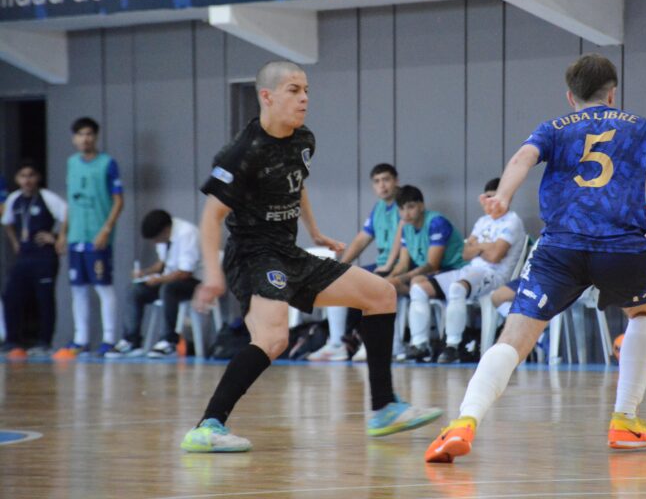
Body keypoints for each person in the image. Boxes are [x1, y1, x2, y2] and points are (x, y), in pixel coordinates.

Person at [424, 53, 646, 463]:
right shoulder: (641, 127)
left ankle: (463, 423)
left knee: (515, 338)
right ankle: (625, 419)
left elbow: (520, 160)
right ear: (612, 93)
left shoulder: (553, 128)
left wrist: (503, 197)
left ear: (570, 96)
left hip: (560, 248)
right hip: (622, 247)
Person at [181, 61, 441, 453]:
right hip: (253, 255)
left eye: (306, 89)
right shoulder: (241, 152)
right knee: (272, 339)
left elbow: (295, 184)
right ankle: (207, 426)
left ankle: (384, 408)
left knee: (381, 295)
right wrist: (213, 276)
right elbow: (210, 218)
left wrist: (315, 231)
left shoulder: (303, 139)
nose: (304, 97)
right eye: (293, 90)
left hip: (289, 252)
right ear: (266, 96)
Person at [407, 178, 526, 364]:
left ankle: (452, 346)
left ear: (505, 199)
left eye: (494, 198)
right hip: (470, 270)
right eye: (486, 198)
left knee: (457, 288)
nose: (490, 202)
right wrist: (486, 246)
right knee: (418, 288)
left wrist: (478, 247)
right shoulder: (482, 221)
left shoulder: (512, 221)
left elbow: (495, 256)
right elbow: (465, 253)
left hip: (494, 276)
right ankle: (420, 344)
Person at [308, 163, 401, 362]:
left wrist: (389, 267)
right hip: (380, 266)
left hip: (400, 267)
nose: (382, 185)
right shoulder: (379, 209)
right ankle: (336, 344)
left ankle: (372, 343)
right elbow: (361, 240)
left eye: (386, 180)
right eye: (377, 182)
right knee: (334, 281)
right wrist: (340, 265)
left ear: (396, 181)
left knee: (370, 288)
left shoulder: (404, 205)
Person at [53, 117, 124, 359]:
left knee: (103, 286)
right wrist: (62, 233)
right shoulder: (72, 163)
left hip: (98, 237)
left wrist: (106, 229)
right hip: (76, 237)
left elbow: (118, 200)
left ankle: (109, 339)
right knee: (78, 289)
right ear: (74, 139)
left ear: (96, 136)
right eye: (81, 134)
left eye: (89, 134)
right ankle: (80, 339)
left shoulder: (107, 164)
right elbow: (71, 202)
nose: (85, 138)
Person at [106, 210, 202, 358]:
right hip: (169, 279)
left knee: (168, 289)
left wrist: (159, 279)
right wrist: (145, 273)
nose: (154, 243)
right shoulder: (166, 236)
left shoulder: (187, 233)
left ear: (165, 231)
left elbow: (185, 272)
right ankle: (131, 340)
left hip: (194, 282)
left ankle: (169, 341)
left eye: (156, 239)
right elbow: (163, 264)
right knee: (134, 290)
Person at [385, 185, 467, 361]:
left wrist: (403, 278)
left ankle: (422, 343)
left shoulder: (436, 222)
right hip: (431, 275)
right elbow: (403, 263)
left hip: (454, 271)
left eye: (411, 207)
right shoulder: (406, 227)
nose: (406, 213)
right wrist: (390, 278)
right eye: (402, 209)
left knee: (416, 282)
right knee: (388, 286)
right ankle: (399, 346)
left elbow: (432, 264)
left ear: (421, 206)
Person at [1, 161, 67, 358]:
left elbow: (68, 214)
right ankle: (12, 340)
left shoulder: (47, 198)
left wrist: (57, 237)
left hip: (44, 256)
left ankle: (44, 341)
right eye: (23, 176)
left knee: (44, 298)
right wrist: (14, 242)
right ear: (17, 179)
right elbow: (7, 222)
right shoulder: (14, 199)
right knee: (11, 295)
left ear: (37, 178)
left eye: (31, 175)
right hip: (24, 255)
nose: (27, 180)